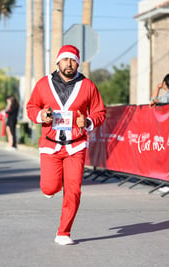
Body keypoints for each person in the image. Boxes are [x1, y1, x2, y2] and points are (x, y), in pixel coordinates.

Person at [26, 44, 106, 245]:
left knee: (73, 190)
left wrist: (87, 121)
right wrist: (40, 115)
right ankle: (49, 189)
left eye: (73, 60)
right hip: (50, 144)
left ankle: (63, 232)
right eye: (66, 59)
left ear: (78, 63)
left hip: (76, 146)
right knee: (50, 187)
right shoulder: (44, 84)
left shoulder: (88, 86)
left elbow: (99, 112)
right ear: (58, 62)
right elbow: (31, 106)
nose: (69, 64)